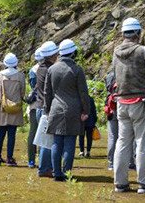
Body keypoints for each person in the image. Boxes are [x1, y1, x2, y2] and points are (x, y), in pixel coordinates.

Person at [112, 17, 145, 194]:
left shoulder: (115, 51)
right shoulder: (144, 51)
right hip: (141, 102)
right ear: (138, 33)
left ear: (123, 33)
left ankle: (120, 183)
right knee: (143, 143)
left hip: (121, 102)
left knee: (123, 142)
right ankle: (144, 183)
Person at [45, 39, 90, 182]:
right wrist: (86, 110)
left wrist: (47, 110)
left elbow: (47, 92)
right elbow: (83, 93)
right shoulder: (77, 69)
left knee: (56, 142)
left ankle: (56, 173)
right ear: (73, 53)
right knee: (70, 141)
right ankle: (67, 173)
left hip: (55, 108)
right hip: (73, 110)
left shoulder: (51, 69)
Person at [0, 53, 26, 166]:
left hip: (2, 106)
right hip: (15, 106)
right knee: (12, 134)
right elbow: (22, 92)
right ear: (16, 63)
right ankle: (9, 159)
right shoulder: (20, 76)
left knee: (0, 133)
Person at [35, 41, 59, 177]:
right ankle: (45, 169)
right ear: (52, 55)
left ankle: (46, 167)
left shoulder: (40, 68)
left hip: (40, 107)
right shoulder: (50, 70)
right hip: (46, 108)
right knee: (47, 141)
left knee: (46, 140)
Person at [105, 71, 136, 171]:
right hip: (126, 105)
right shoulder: (129, 73)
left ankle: (111, 163)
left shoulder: (109, 75)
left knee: (113, 136)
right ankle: (130, 162)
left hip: (112, 108)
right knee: (129, 135)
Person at [27, 47, 43, 168]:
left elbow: (32, 86)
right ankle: (43, 160)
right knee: (44, 133)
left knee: (33, 132)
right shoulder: (49, 68)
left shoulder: (32, 70)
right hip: (44, 105)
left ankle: (31, 160)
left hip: (33, 105)